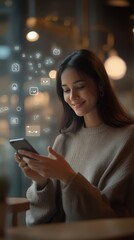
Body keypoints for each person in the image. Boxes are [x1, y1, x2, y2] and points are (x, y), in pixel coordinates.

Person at [15, 49, 134, 225]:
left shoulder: (128, 137)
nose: (72, 97)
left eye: (80, 87)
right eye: (66, 90)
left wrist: (68, 176)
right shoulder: (63, 141)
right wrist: (41, 182)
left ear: (100, 85)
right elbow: (44, 220)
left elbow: (110, 216)